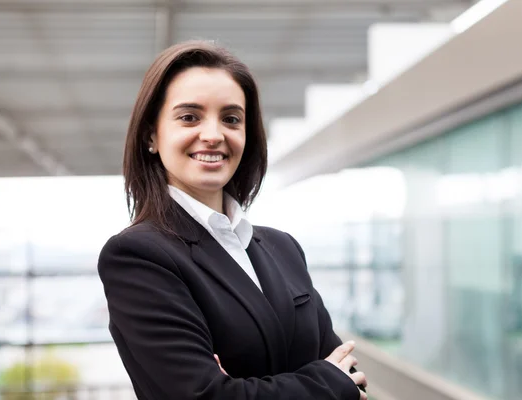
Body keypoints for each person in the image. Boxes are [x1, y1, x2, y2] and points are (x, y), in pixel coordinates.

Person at [97, 40, 368, 400]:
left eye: (231, 119)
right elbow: (205, 396)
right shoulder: (137, 256)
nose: (213, 135)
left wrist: (249, 387)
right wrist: (327, 383)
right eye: (189, 117)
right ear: (151, 136)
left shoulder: (282, 247)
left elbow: (350, 373)